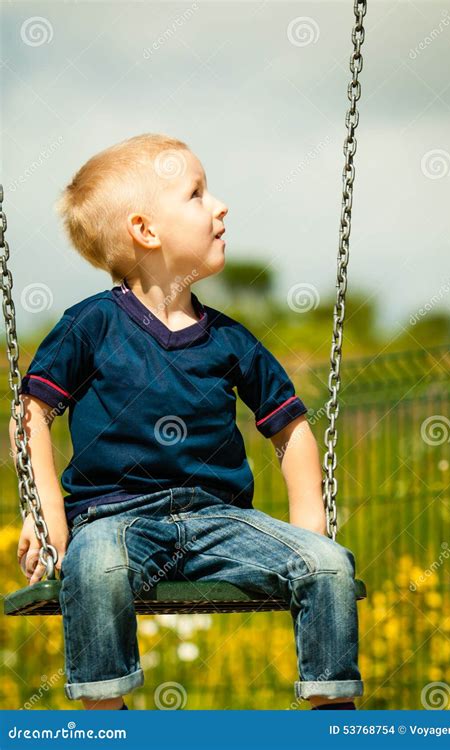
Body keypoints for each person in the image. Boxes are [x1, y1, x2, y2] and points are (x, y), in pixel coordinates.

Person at [11, 133, 363, 711]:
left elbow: (290, 427)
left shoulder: (229, 340)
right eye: (197, 194)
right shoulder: (91, 325)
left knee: (327, 564)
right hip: (115, 516)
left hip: (222, 519)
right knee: (95, 566)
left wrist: (310, 524)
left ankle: (331, 718)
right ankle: (108, 720)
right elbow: (31, 413)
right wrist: (48, 513)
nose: (220, 205)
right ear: (146, 231)